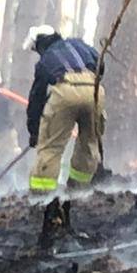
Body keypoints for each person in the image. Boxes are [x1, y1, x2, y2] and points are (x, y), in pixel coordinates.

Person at [23, 25, 103, 194]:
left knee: (51, 147)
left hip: (65, 91)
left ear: (40, 43)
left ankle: (41, 195)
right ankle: (78, 191)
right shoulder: (78, 44)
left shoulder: (45, 60)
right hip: (94, 90)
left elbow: (36, 98)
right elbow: (100, 63)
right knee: (89, 143)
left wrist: (35, 132)